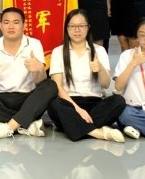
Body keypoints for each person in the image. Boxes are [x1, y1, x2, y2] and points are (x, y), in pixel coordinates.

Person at [0, 7, 58, 139]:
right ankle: (25, 123)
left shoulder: (34, 44)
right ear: (0, 26)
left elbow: (40, 81)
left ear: (24, 25)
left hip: (27, 99)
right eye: (6, 22)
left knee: (50, 86)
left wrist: (39, 70)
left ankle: (7, 127)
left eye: (16, 22)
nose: (11, 26)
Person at [47, 10, 125, 142]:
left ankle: (76, 126)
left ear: (88, 28)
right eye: (72, 26)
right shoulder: (58, 52)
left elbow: (106, 84)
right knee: (54, 105)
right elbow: (58, 87)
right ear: (66, 28)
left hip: (94, 103)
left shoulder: (99, 51)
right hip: (69, 104)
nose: (77, 30)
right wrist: (78, 110)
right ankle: (97, 133)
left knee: (118, 101)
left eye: (81, 26)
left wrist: (100, 69)